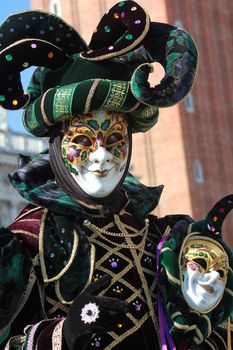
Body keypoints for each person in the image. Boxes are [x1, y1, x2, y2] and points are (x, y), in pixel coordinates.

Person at [0, 1, 231, 349]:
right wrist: (60, 335)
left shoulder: (161, 236)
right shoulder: (30, 241)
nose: (103, 155)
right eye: (82, 140)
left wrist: (200, 314)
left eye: (115, 140)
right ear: (58, 146)